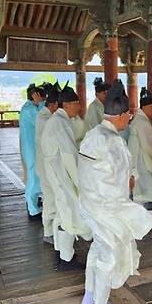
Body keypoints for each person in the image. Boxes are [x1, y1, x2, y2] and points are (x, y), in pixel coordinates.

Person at [78, 80, 152, 304]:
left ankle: (89, 293)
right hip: (106, 206)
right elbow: (122, 177)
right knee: (110, 253)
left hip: (88, 203)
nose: (128, 120)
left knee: (97, 248)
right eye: (128, 116)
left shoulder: (92, 134)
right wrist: (130, 182)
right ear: (121, 115)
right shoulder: (113, 140)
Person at [41, 82, 91, 268]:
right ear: (67, 105)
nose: (79, 107)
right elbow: (69, 156)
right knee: (69, 211)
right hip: (60, 172)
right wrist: (80, 182)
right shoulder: (60, 122)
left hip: (55, 170)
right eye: (76, 103)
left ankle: (62, 253)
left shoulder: (58, 120)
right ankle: (66, 259)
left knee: (62, 213)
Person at [36, 82, 60, 238]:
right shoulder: (45, 118)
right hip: (46, 164)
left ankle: (52, 230)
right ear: (54, 105)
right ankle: (48, 232)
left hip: (48, 163)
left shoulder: (47, 116)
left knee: (52, 197)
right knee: (50, 198)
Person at [127, 87, 152, 205]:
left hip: (137, 162)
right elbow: (150, 145)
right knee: (143, 197)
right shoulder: (142, 122)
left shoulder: (139, 119)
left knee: (140, 195)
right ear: (147, 107)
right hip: (141, 164)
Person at [19, 83, 45, 219]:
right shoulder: (30, 110)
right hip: (31, 149)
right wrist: (41, 104)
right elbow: (43, 120)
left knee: (34, 176)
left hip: (32, 147)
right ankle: (33, 209)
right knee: (33, 177)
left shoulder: (29, 107)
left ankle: (32, 202)